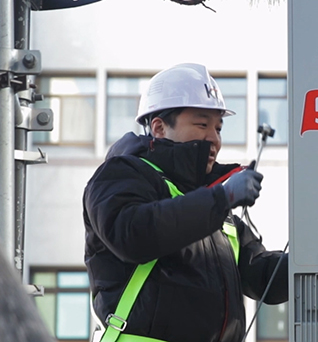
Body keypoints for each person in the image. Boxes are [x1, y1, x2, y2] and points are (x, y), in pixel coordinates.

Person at [83, 63, 288, 342]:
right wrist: (221, 198)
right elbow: (132, 234)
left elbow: (265, 277)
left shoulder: (218, 215)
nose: (214, 139)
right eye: (202, 124)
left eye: (218, 128)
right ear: (159, 127)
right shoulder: (120, 176)